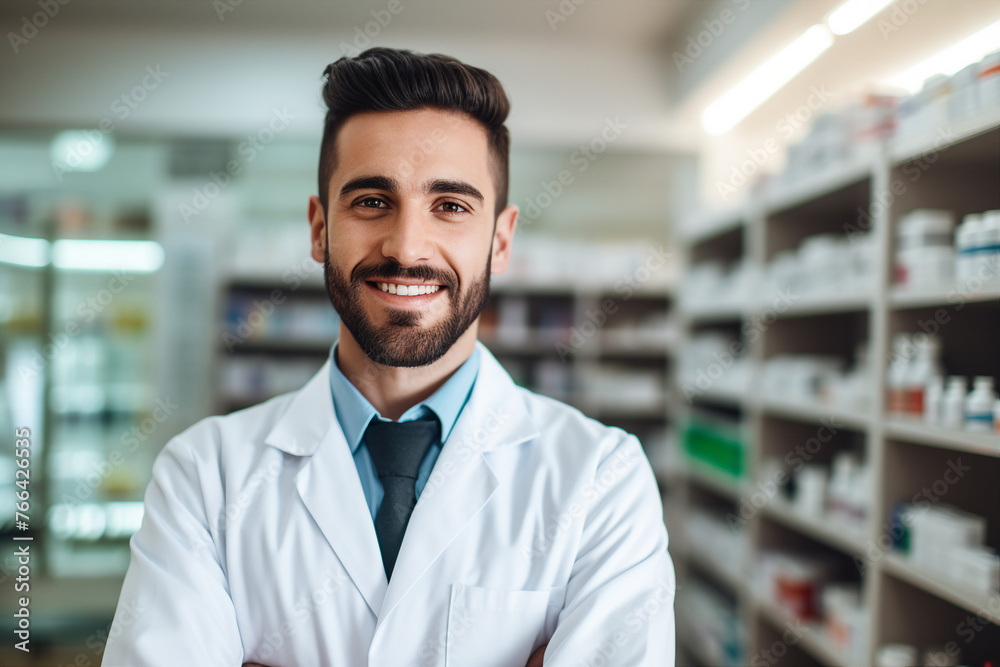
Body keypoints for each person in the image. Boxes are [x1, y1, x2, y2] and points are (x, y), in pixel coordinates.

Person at [102, 47, 675, 667]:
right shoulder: (204, 476)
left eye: (451, 206)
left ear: (501, 239)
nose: (406, 247)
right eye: (372, 201)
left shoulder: (601, 479)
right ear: (320, 229)